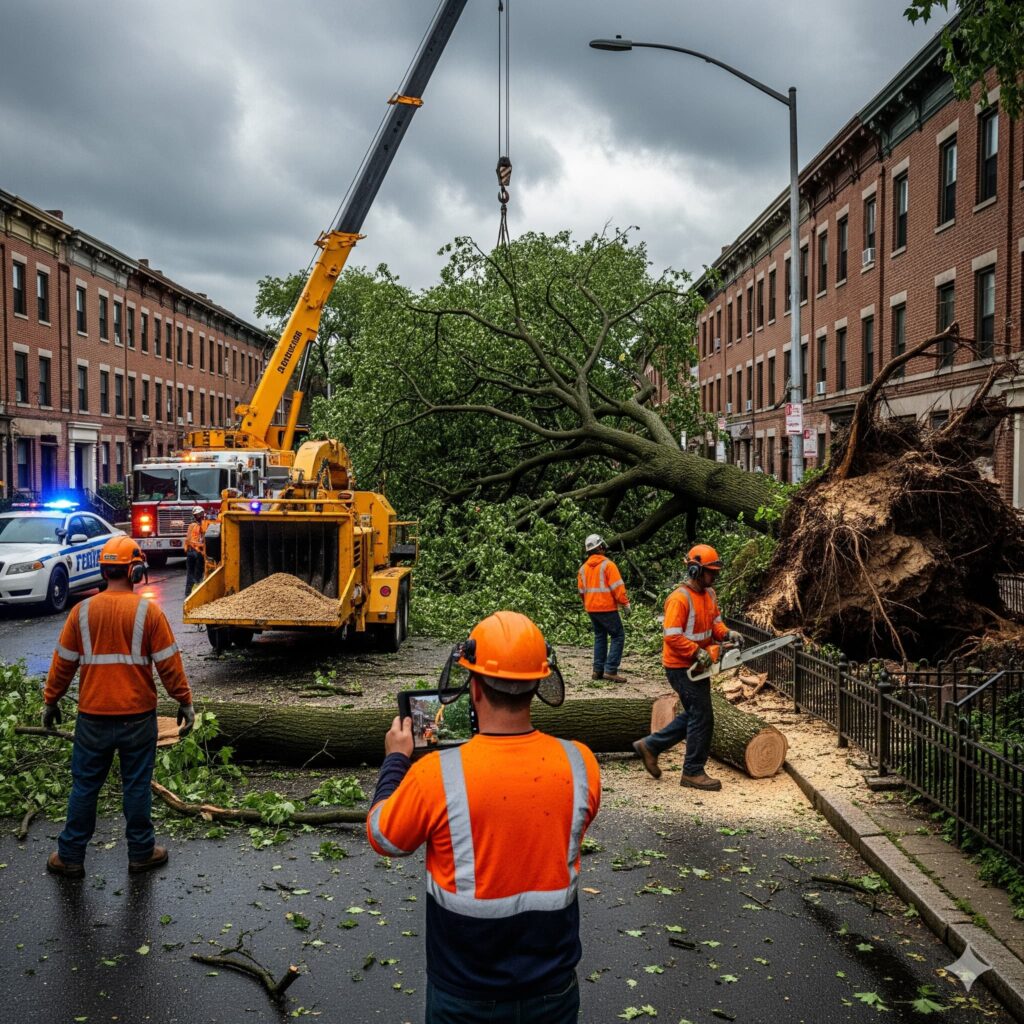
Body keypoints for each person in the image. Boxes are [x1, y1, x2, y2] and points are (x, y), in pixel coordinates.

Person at [366, 611, 601, 1023]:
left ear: (473, 686)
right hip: (554, 992)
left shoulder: (435, 775)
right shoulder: (581, 764)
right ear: (538, 685)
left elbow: (384, 838)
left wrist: (395, 762)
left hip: (464, 998)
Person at [41, 536, 195, 877]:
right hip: (138, 717)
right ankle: (141, 852)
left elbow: (63, 663)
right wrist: (184, 702)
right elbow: (169, 665)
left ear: (103, 569)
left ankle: (70, 856)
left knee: (84, 786)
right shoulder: (148, 612)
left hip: (92, 717)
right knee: (136, 786)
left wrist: (50, 701)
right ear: (136, 570)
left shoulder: (81, 613)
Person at [631, 544, 744, 792]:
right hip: (681, 666)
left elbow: (715, 623)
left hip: (697, 664)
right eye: (710, 572)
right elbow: (672, 636)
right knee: (702, 715)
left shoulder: (709, 595)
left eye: (715, 572)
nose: (713, 577)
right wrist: (697, 652)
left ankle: (651, 746)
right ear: (694, 570)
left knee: (696, 713)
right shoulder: (679, 599)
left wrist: (727, 634)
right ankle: (692, 771)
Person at [577, 533, 631, 683]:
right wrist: (625, 604)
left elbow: (581, 592)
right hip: (607, 608)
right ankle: (610, 670)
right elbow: (618, 588)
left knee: (600, 637)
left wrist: (587, 604)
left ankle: (598, 670)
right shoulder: (608, 565)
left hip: (591, 609)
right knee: (618, 635)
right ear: (600, 547)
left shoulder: (582, 569)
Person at [183, 505, 207, 600]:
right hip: (198, 553)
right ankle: (195, 592)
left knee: (190, 573)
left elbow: (188, 539)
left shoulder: (191, 526)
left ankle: (188, 592)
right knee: (197, 574)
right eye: (199, 514)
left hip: (191, 552)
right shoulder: (203, 525)